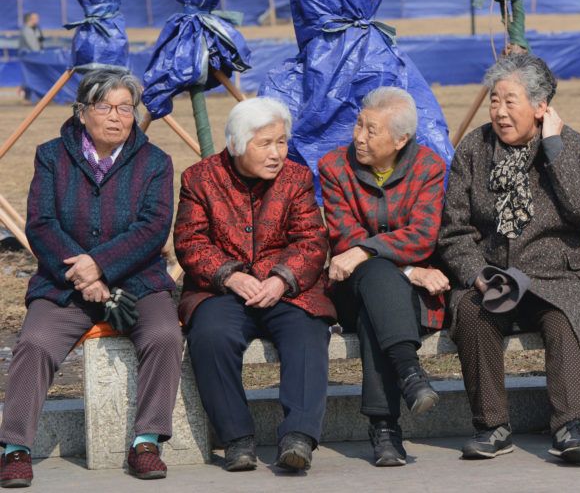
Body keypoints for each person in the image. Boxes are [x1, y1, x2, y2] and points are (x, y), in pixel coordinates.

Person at [0, 69, 183, 487]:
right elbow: (41, 224)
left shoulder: (155, 161)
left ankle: (147, 441)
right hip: (66, 283)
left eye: (126, 107)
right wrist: (84, 275)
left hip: (137, 280)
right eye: (105, 106)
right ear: (82, 112)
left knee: (164, 337)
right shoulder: (51, 155)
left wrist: (100, 265)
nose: (117, 117)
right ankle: (15, 449)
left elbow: (153, 227)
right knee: (34, 342)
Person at [438, 53, 580, 464]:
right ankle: (491, 426)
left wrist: (553, 147)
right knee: (475, 315)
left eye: (510, 102)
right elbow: (454, 230)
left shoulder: (569, 145)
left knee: (564, 320)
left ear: (540, 105)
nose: (499, 112)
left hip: (558, 274)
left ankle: (572, 427)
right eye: (495, 101)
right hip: (494, 273)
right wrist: (476, 273)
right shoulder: (474, 150)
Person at [174, 97, 335, 473]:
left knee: (308, 332)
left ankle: (298, 437)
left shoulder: (296, 178)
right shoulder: (199, 178)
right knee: (212, 336)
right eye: (265, 144)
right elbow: (190, 241)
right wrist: (229, 274)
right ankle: (237, 439)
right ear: (236, 144)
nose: (277, 153)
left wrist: (282, 279)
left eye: (281, 142)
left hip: (287, 287)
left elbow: (312, 241)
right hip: (222, 288)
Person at [318, 86, 448, 467]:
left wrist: (366, 251)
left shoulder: (428, 167)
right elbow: (344, 237)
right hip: (351, 286)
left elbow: (424, 234)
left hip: (400, 296)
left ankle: (385, 429)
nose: (358, 136)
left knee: (376, 305)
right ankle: (409, 372)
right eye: (359, 124)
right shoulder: (333, 167)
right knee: (374, 274)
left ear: (401, 139)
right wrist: (407, 268)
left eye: (371, 130)